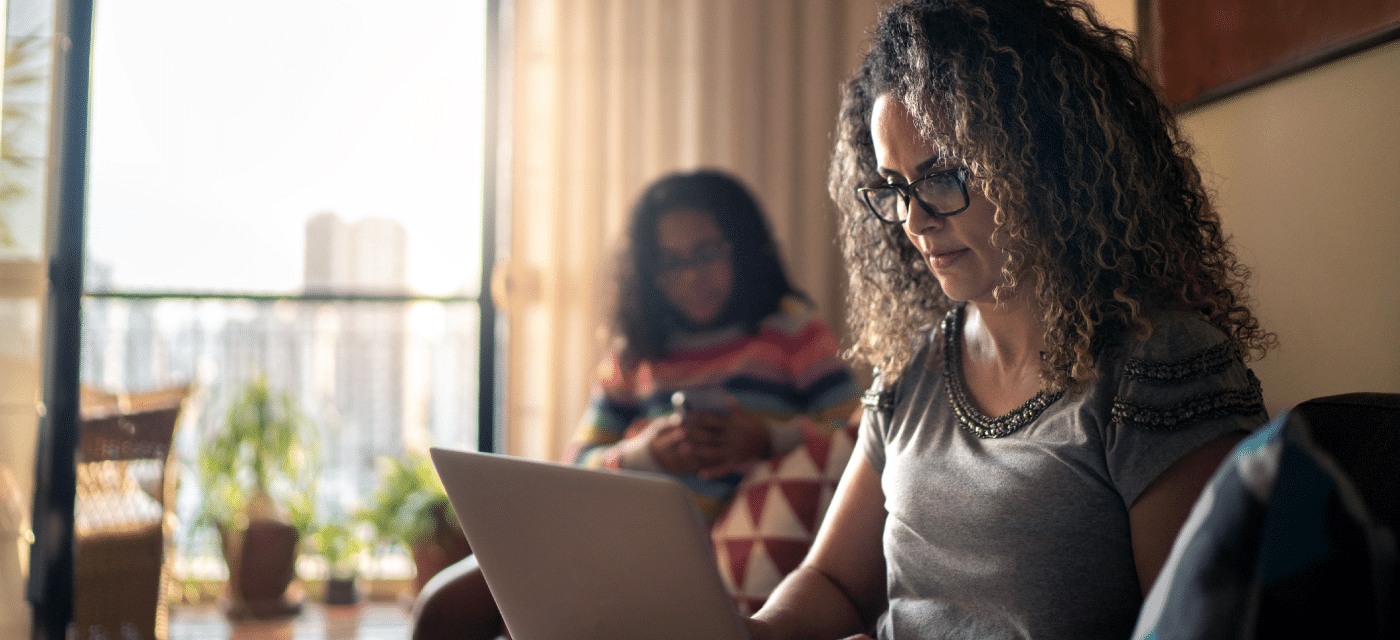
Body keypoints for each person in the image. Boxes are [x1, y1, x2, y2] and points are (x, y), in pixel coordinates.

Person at [746, 1, 1276, 639]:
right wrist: (754, 632)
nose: (915, 220)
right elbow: (832, 582)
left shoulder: (1159, 365)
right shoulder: (915, 370)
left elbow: (1190, 628)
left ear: (1043, 165)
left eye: (943, 176)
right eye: (895, 186)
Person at [411, 169, 861, 640]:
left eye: (706, 253)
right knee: (442, 607)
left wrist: (765, 437)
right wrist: (644, 454)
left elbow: (855, 427)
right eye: (670, 263)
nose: (690, 276)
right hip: (614, 547)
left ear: (742, 247)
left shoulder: (790, 330)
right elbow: (575, 466)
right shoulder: (635, 353)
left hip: (695, 564)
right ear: (649, 272)